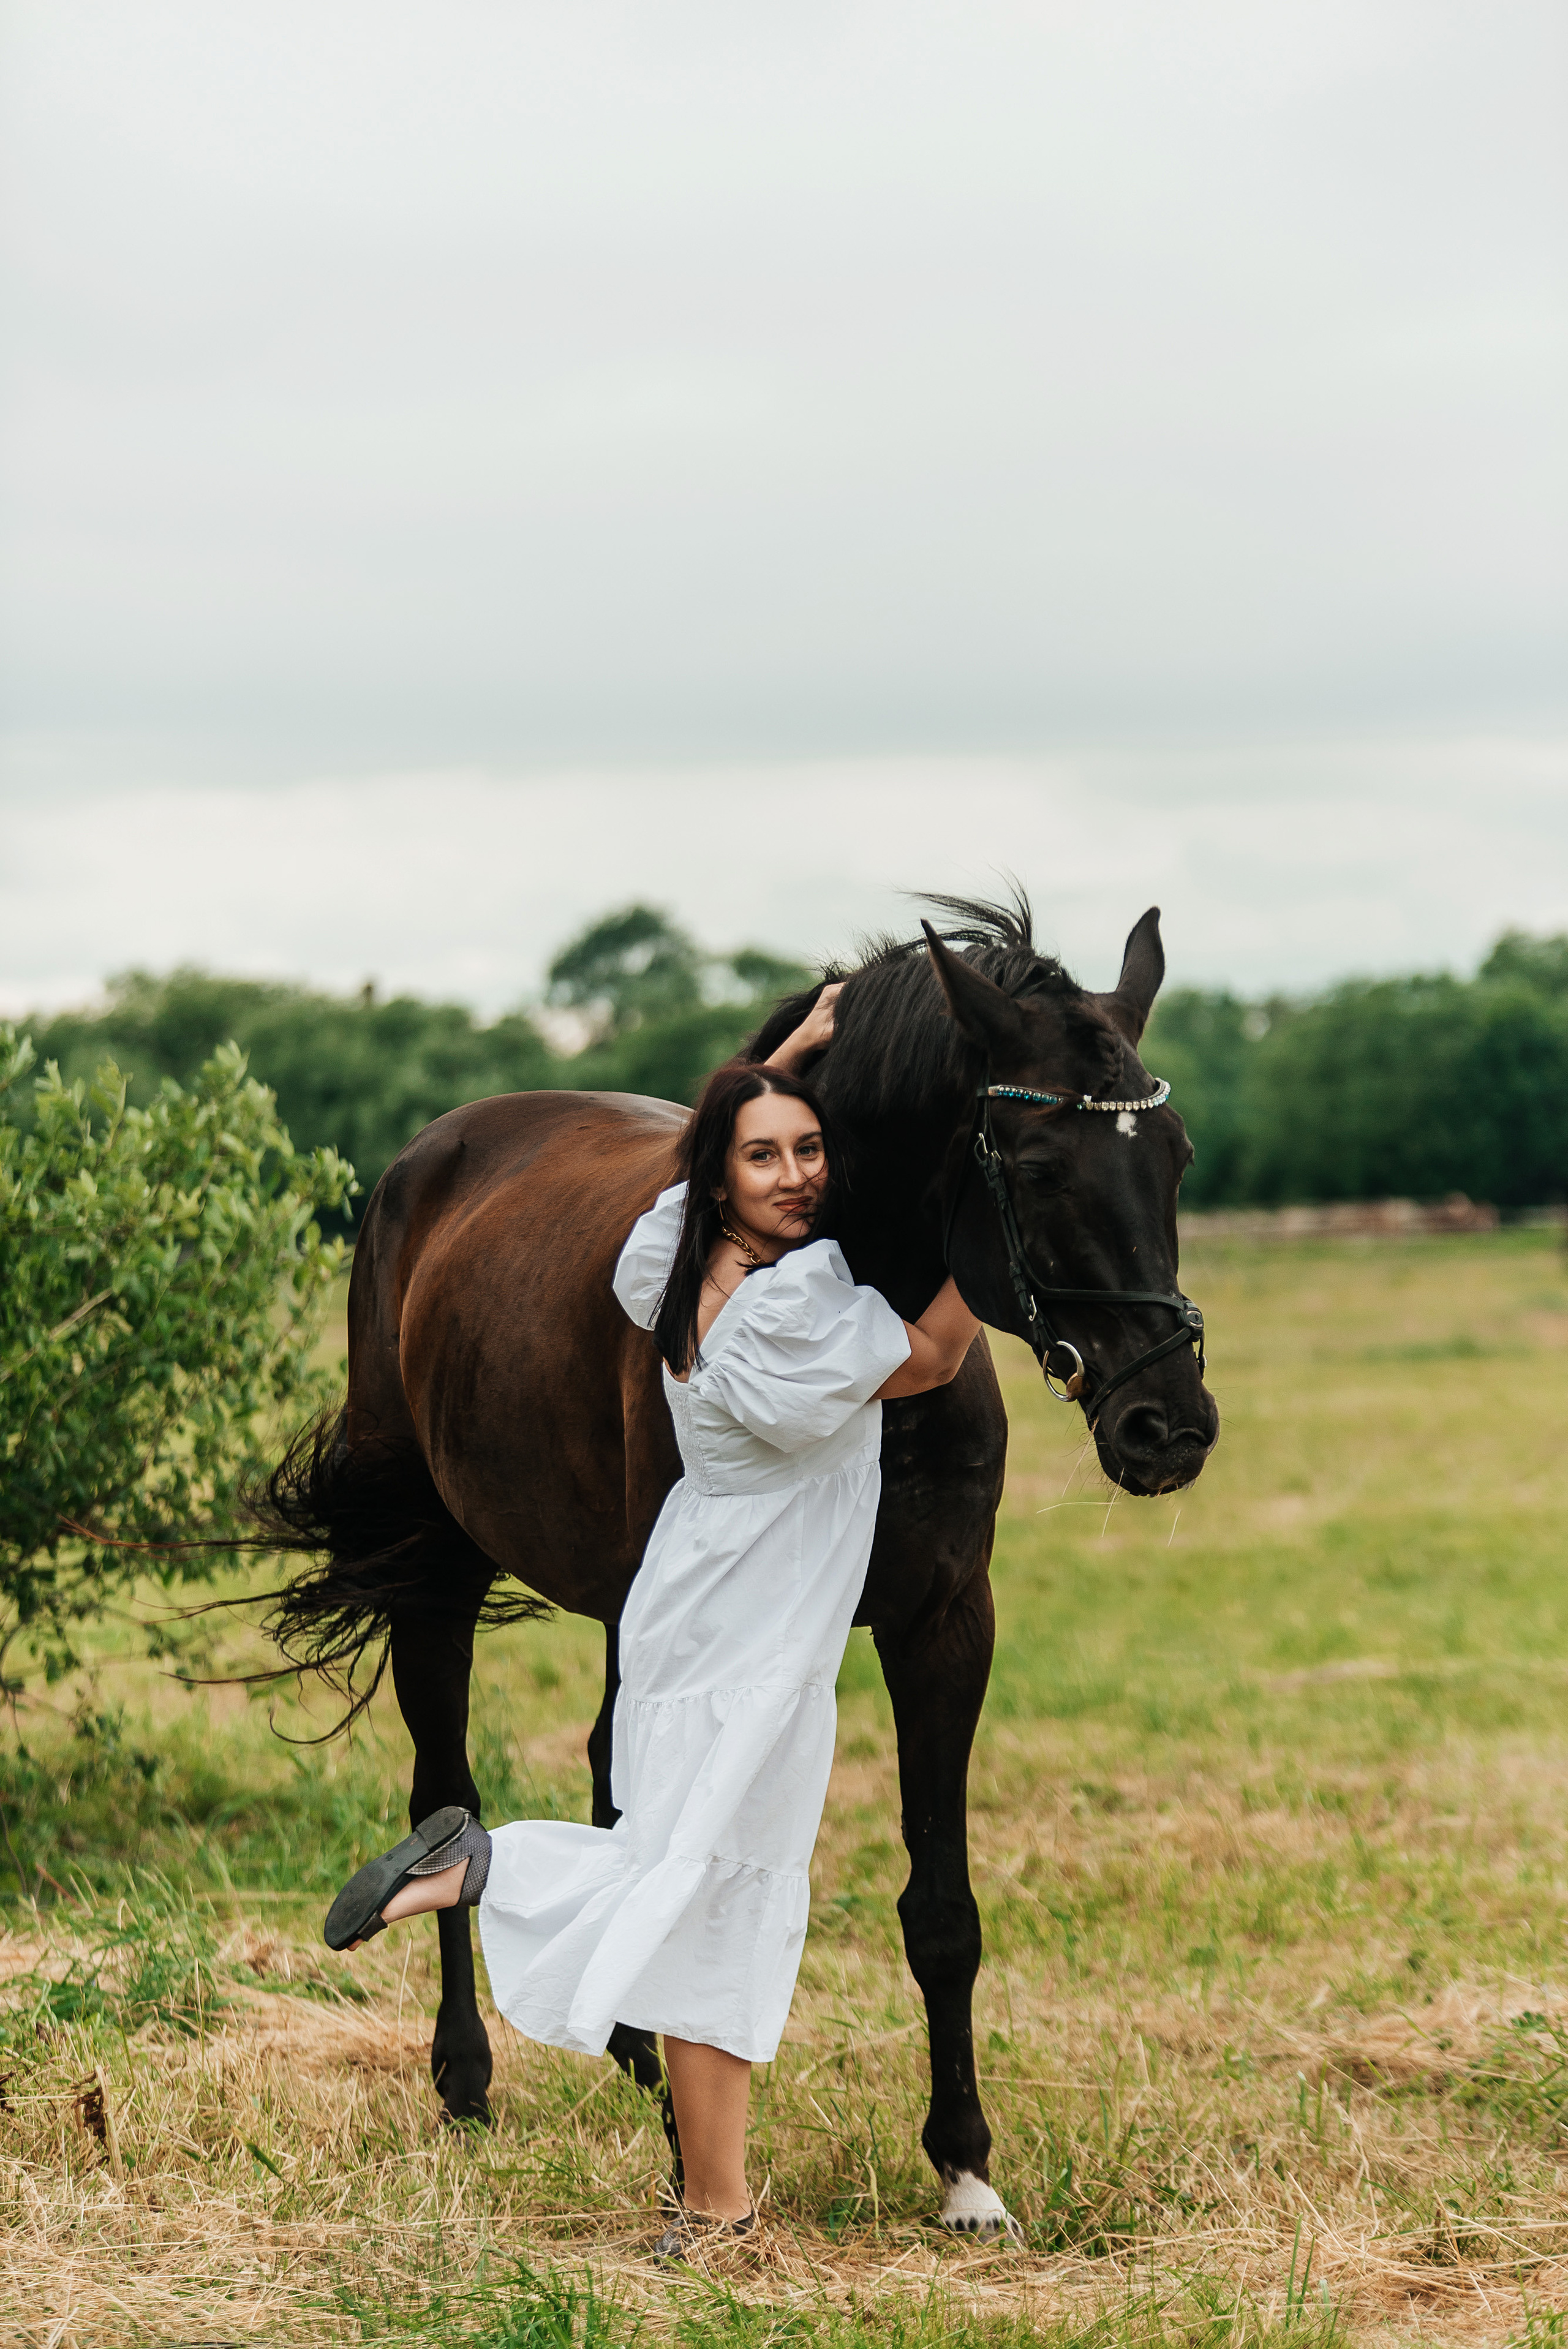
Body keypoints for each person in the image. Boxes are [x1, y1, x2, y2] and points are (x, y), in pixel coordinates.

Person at [322, 987, 981, 2255]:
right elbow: (935, 1354)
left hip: (694, 1612)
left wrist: (772, 1065)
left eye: (807, 1149)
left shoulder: (663, 1261)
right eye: (764, 1156)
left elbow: (688, 1192)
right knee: (712, 1888)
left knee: (704, 1886)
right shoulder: (798, 1314)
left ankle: (714, 2203)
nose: (797, 1178)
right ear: (720, 1180)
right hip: (752, 1636)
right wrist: (991, 1239)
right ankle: (481, 1866)